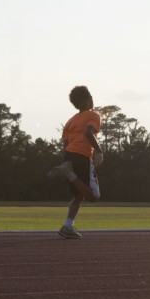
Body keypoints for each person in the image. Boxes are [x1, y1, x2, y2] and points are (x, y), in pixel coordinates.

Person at [48, 85, 103, 239]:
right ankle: (69, 173)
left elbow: (66, 143)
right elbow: (88, 132)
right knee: (93, 196)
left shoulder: (70, 120)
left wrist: (69, 159)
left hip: (69, 155)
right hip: (82, 156)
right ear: (87, 101)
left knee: (78, 195)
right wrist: (98, 151)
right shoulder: (94, 116)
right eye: (91, 96)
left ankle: (67, 226)